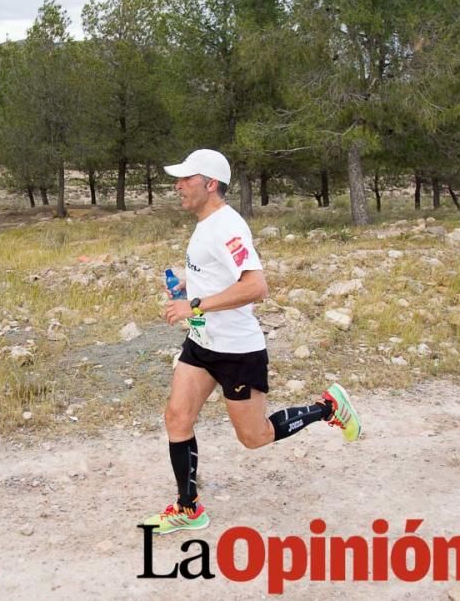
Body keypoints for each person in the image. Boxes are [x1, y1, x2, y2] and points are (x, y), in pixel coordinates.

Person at [143, 148, 362, 535]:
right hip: (203, 342)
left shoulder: (228, 226)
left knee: (255, 437)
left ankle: (327, 407)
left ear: (210, 184)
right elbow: (217, 275)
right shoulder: (204, 223)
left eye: (186, 179)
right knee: (177, 418)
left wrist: (194, 303)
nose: (177, 186)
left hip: (237, 352)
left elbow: (256, 285)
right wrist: (187, 283)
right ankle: (188, 508)